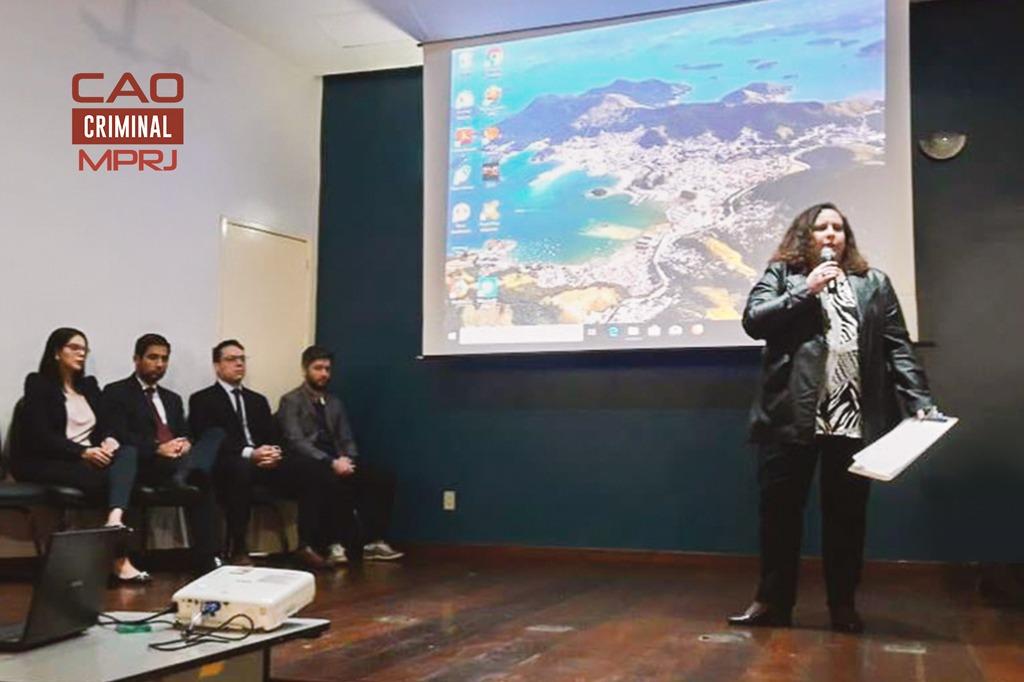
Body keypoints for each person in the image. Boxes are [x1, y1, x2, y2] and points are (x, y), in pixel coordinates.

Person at [728, 203, 938, 633]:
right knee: (780, 516)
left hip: (852, 418)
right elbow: (754, 321)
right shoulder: (783, 276)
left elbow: (897, 345)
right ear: (805, 236)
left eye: (838, 228)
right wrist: (806, 290)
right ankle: (772, 604)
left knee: (846, 518)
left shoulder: (873, 283)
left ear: (846, 237)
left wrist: (918, 397)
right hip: (791, 417)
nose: (830, 234)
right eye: (821, 227)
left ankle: (842, 606)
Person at [13, 327, 148, 583]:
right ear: (56, 352)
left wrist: (109, 440)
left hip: (90, 457)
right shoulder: (38, 384)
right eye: (74, 348)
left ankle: (114, 520)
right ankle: (118, 560)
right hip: (49, 459)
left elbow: (107, 424)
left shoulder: (88, 385)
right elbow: (39, 436)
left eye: (84, 349)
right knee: (111, 482)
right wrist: (83, 452)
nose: (81, 354)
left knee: (128, 453)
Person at [188, 340, 336, 569]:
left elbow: (273, 436)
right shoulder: (202, 399)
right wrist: (251, 453)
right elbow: (209, 439)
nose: (239, 364)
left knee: (311, 468)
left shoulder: (257, 400)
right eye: (231, 359)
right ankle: (238, 548)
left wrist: (272, 453)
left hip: (263, 463)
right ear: (217, 366)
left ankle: (306, 545)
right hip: (229, 465)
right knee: (240, 468)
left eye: (242, 359)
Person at [102, 334, 224, 575]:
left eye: (164, 359)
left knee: (215, 435)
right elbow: (118, 435)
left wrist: (186, 443)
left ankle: (209, 558)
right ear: (137, 359)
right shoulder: (117, 392)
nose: (159, 364)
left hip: (178, 460)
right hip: (147, 463)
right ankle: (185, 473)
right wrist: (157, 448)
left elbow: (184, 432)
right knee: (199, 475)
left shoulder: (172, 399)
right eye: (153, 357)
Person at [277, 345, 402, 565]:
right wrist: (330, 461)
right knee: (328, 479)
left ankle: (372, 542)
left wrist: (348, 460)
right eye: (318, 368)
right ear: (305, 369)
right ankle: (331, 543)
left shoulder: (334, 402)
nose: (324, 374)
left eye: (327, 369)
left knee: (382, 478)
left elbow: (346, 437)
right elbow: (295, 441)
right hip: (312, 461)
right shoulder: (291, 400)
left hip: (338, 458)